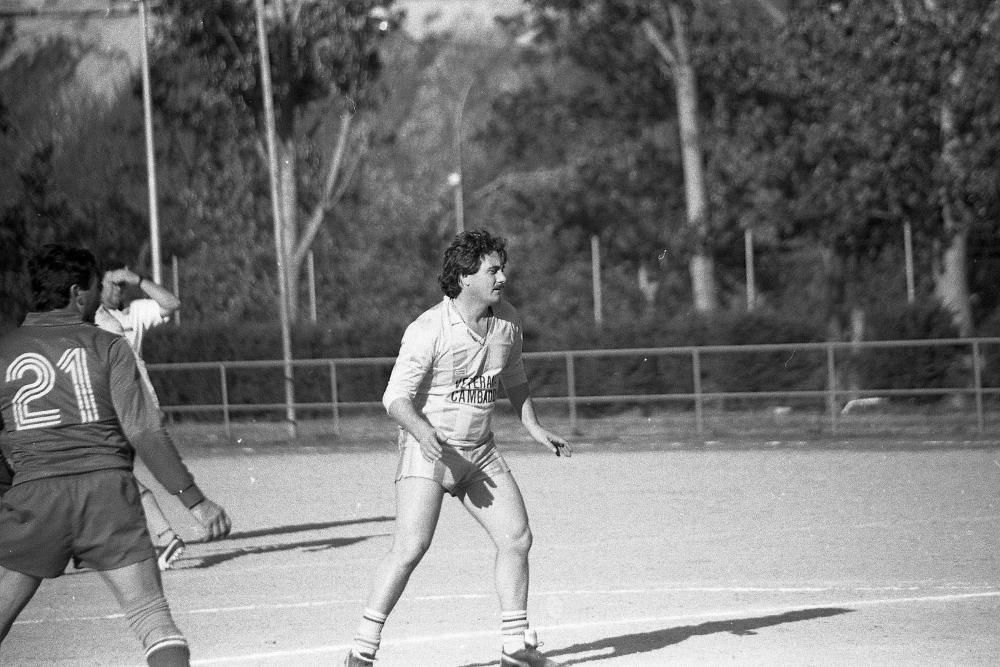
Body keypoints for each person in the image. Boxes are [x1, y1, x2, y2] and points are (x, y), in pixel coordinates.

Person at [344, 230, 572, 667]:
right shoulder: (428, 328)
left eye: (502, 267)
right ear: (466, 277)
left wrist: (533, 425)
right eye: (493, 269)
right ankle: (361, 651)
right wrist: (423, 432)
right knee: (410, 547)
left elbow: (515, 373)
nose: (503, 276)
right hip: (428, 453)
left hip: (479, 452)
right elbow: (394, 398)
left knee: (517, 537)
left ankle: (514, 648)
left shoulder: (507, 320)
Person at [0, 244, 232, 666]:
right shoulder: (108, 346)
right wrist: (195, 502)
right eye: (93, 287)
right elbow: (144, 431)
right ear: (76, 293)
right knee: (152, 618)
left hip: (34, 500)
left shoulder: (5, 351)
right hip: (106, 497)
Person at [95, 261, 187, 569]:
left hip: (126, 409)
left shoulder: (131, 313)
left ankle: (164, 537)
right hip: (108, 409)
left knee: (109, 475)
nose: (117, 290)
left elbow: (172, 303)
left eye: (120, 285)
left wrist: (138, 279)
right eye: (111, 284)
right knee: (110, 477)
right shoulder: (88, 320)